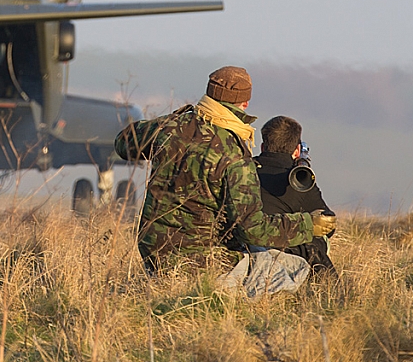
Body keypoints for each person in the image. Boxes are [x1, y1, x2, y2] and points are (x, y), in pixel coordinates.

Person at [114, 66, 336, 284]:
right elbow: (252, 229)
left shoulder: (169, 128)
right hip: (203, 264)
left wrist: (178, 120)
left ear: (209, 95)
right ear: (245, 103)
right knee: (295, 269)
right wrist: (308, 225)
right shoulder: (235, 155)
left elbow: (124, 144)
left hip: (154, 253)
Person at [255, 116, 337, 276]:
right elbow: (328, 225)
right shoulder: (299, 181)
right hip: (287, 258)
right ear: (297, 151)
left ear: (263, 147)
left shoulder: (244, 170)